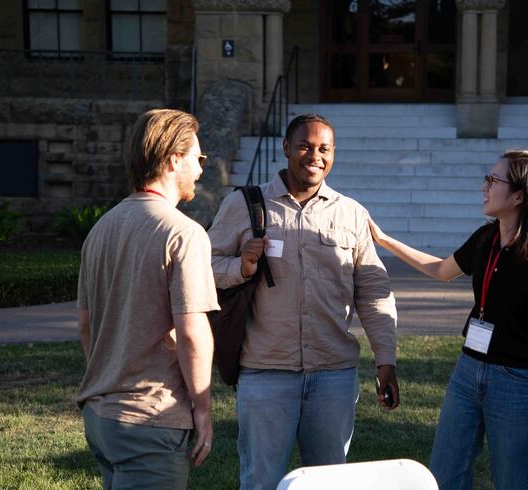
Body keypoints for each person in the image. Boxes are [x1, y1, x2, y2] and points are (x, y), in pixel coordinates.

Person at [369, 150, 528, 489]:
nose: (484, 187)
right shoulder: (485, 239)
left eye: (492, 180)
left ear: (519, 194)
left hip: (517, 384)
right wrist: (384, 240)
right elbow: (441, 270)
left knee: (513, 482)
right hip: (467, 373)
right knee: (444, 477)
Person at [209, 113, 399, 490]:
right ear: (285, 148)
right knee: (260, 481)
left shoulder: (351, 214)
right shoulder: (245, 205)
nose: (315, 156)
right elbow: (204, 266)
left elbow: (374, 292)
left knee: (330, 483)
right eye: (305, 146)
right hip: (265, 373)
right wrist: (242, 267)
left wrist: (386, 360)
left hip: (334, 376)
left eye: (324, 149)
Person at [75, 109, 220, 489]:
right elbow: (192, 332)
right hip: (151, 420)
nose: (201, 170)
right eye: (198, 158)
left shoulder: (100, 229)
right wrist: (202, 409)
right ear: (174, 159)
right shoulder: (183, 234)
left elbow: (86, 325)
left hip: (102, 416)